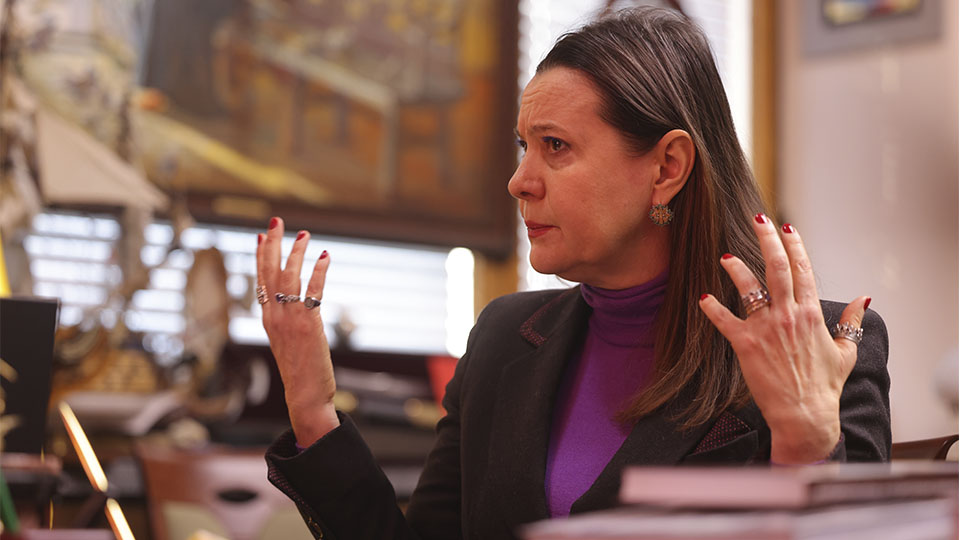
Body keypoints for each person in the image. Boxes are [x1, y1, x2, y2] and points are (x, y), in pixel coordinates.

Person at [255, 6, 890, 540]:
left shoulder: (824, 352)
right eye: (523, 146)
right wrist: (313, 408)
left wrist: (806, 444)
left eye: (555, 146)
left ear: (667, 167)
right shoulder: (503, 337)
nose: (519, 181)